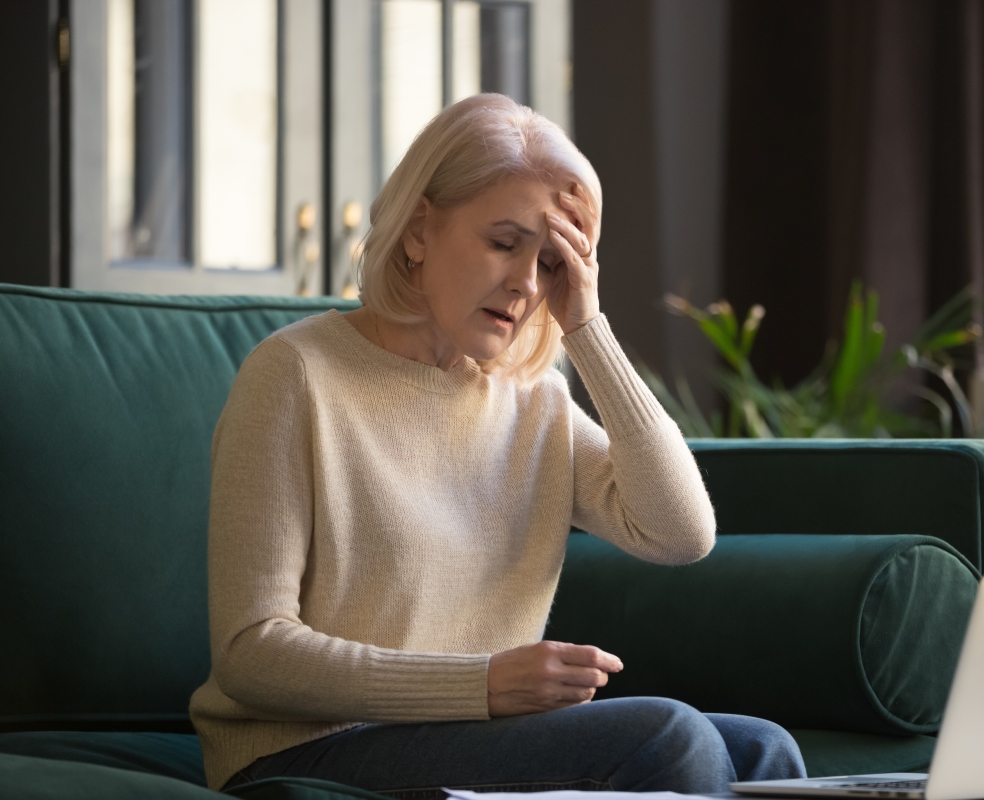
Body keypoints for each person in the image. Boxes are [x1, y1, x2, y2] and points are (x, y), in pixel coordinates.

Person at [189, 93, 805, 795]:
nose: (524, 283)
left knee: (763, 751)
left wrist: (588, 329)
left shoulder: (532, 400)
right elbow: (249, 654)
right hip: (304, 753)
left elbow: (681, 533)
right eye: (505, 243)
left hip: (467, 741)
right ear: (420, 230)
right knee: (669, 737)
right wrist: (481, 684)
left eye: (550, 264)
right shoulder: (295, 374)